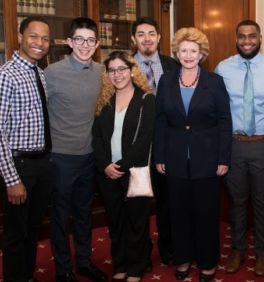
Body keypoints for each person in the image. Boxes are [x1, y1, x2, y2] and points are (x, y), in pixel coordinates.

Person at [154, 27, 232, 282]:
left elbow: (224, 121)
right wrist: (160, 156)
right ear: (176, 53)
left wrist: (223, 158)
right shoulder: (166, 80)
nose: (188, 55)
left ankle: (208, 263)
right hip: (175, 159)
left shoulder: (214, 82)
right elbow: (160, 121)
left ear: (201, 54)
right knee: (178, 213)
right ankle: (184, 259)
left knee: (206, 214)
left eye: (193, 51)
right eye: (183, 50)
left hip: (207, 160)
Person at [0, 16, 52, 282]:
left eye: (45, 38)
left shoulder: (39, 73)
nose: (40, 43)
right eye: (34, 36)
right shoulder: (4, 75)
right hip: (18, 166)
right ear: (20, 36)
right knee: (16, 233)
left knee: (33, 228)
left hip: (41, 164)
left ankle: (27, 276)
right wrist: (12, 180)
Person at [215, 19, 264, 276]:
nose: (247, 41)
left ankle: (262, 253)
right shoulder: (223, 68)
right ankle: (238, 250)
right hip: (233, 144)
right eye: (242, 36)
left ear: (260, 37)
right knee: (237, 201)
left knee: (263, 201)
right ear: (236, 38)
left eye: (252, 36)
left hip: (263, 144)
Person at [44, 17, 106, 282]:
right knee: (59, 217)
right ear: (69, 42)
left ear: (97, 44)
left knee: (83, 214)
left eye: (90, 40)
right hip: (60, 158)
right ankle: (63, 269)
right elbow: (39, 116)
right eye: (79, 39)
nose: (84, 45)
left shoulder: (103, 72)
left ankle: (83, 261)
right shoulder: (51, 73)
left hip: (90, 157)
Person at [92, 51, 154, 282]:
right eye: (112, 70)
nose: (117, 74)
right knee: (116, 221)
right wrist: (105, 165)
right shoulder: (104, 100)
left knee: (136, 221)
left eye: (122, 69)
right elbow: (96, 137)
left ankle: (137, 267)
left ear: (132, 70)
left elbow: (145, 138)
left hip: (134, 170)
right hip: (107, 172)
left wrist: (121, 165)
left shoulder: (146, 99)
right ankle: (121, 263)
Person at [131, 16, 178, 266]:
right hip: (136, 147)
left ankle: (168, 249)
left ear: (160, 37)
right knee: (137, 204)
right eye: (141, 34)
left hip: (168, 146)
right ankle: (141, 253)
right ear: (134, 39)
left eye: (151, 33)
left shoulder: (173, 65)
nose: (147, 38)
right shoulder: (124, 66)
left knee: (167, 203)